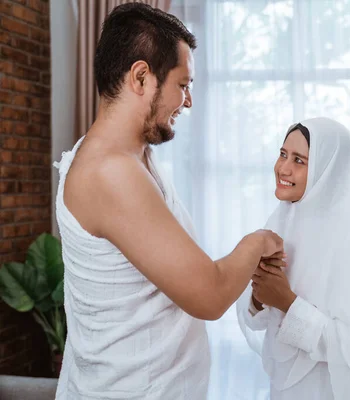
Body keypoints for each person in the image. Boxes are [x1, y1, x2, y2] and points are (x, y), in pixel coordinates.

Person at [53, 3, 282, 399]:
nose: (188, 101)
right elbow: (209, 297)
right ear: (141, 77)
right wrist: (259, 241)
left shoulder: (131, 159)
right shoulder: (110, 173)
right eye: (183, 84)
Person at [236, 117, 350, 399]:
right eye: (282, 154)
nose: (283, 168)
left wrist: (286, 301)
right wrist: (258, 296)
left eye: (299, 160)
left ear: (326, 169)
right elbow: (255, 318)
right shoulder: (279, 221)